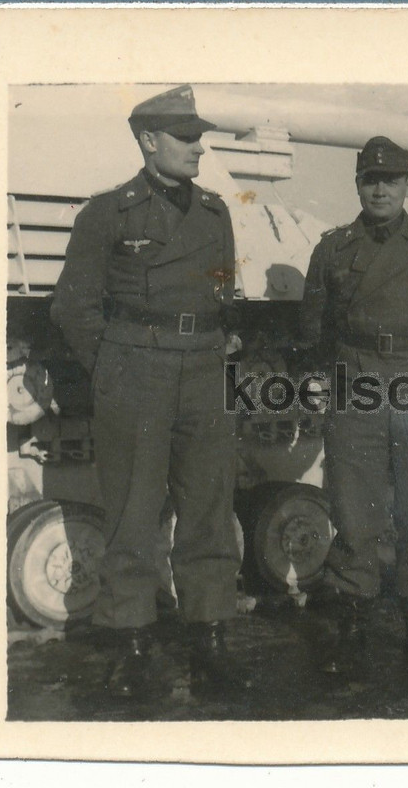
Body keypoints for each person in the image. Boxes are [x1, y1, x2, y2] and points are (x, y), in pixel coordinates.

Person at [51, 85, 243, 699]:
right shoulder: (108, 212)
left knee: (209, 510)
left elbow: (223, 291)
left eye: (199, 136)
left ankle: (210, 637)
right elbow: (72, 306)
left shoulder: (215, 211)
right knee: (133, 514)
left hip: (204, 368)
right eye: (186, 138)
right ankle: (130, 643)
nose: (198, 148)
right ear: (149, 140)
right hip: (137, 370)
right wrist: (111, 366)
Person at [298, 136, 408, 673]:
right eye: (369, 180)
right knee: (355, 512)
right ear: (358, 185)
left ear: (406, 185)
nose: (380, 189)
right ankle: (352, 628)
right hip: (356, 384)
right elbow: (314, 326)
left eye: (391, 180)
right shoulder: (333, 248)